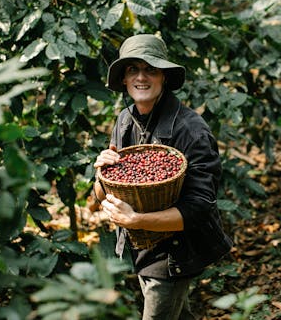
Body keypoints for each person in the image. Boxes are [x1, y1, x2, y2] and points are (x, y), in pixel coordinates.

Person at [93, 34, 232, 320]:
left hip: (173, 255)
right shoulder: (124, 119)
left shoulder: (191, 131)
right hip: (139, 248)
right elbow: (100, 196)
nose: (141, 78)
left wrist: (137, 220)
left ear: (164, 77)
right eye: (133, 69)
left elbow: (199, 207)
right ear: (123, 78)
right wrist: (101, 173)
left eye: (150, 69)